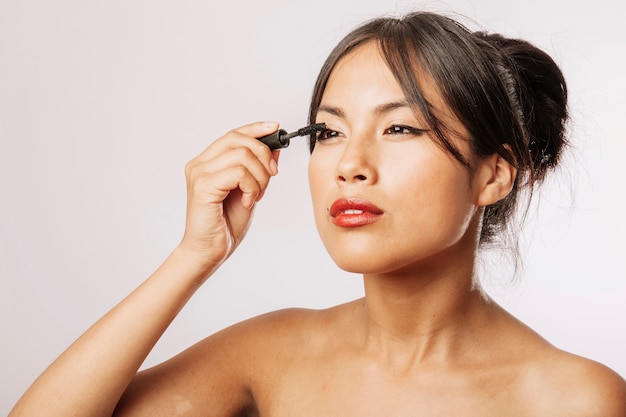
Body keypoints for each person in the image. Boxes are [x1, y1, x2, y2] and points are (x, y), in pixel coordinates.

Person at [9, 11, 626, 417]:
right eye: (328, 133)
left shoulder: (573, 399)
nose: (349, 164)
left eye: (400, 126)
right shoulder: (272, 354)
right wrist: (193, 257)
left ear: (493, 173)